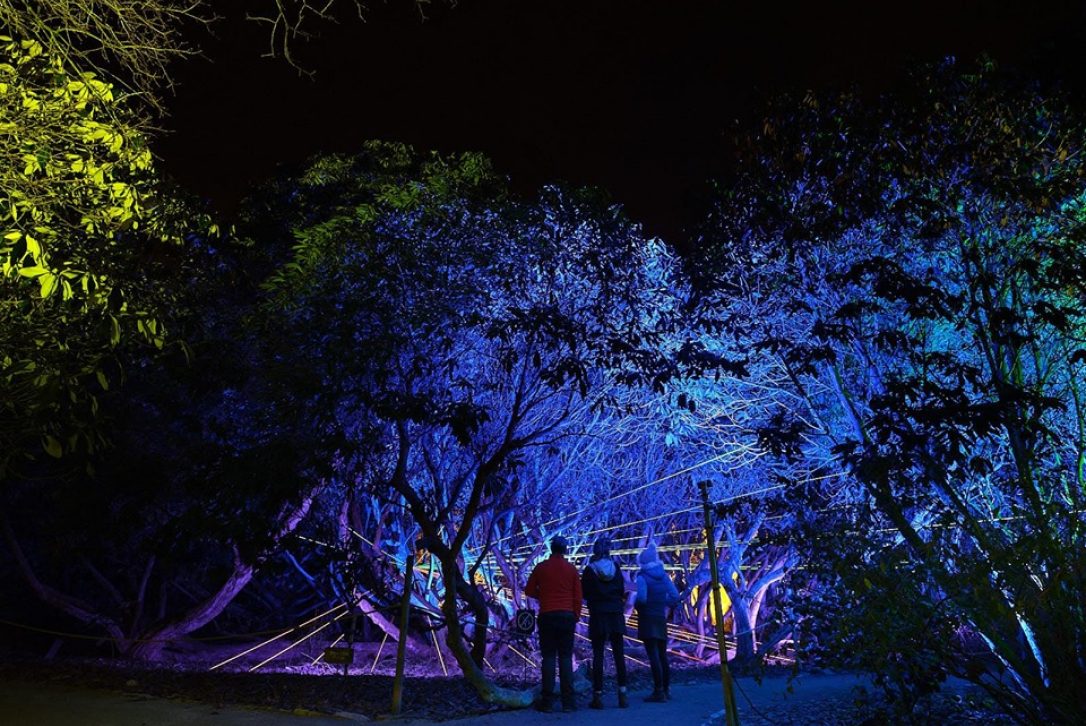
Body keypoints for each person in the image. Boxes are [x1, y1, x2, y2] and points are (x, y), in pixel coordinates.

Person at [525, 535, 583, 712]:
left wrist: (543, 596)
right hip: (567, 616)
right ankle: (568, 702)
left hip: (547, 615)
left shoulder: (541, 568)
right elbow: (578, 596)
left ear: (551, 549)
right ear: (565, 550)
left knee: (549, 657)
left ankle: (547, 701)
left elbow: (528, 590)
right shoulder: (571, 569)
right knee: (565, 657)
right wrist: (576, 615)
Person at [581, 537, 629, 709]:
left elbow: (585, 593)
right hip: (615, 613)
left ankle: (598, 696)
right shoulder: (615, 567)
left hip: (598, 614)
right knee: (619, 654)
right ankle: (622, 693)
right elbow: (622, 590)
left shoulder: (590, 570)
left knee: (598, 655)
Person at [635, 541, 679, 703]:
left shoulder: (642, 577)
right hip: (660, 619)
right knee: (662, 655)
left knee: (653, 656)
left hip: (648, 618)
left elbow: (641, 598)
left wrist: (637, 606)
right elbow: (675, 596)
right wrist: (662, 602)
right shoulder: (664, 576)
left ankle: (658, 691)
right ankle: (666, 690)